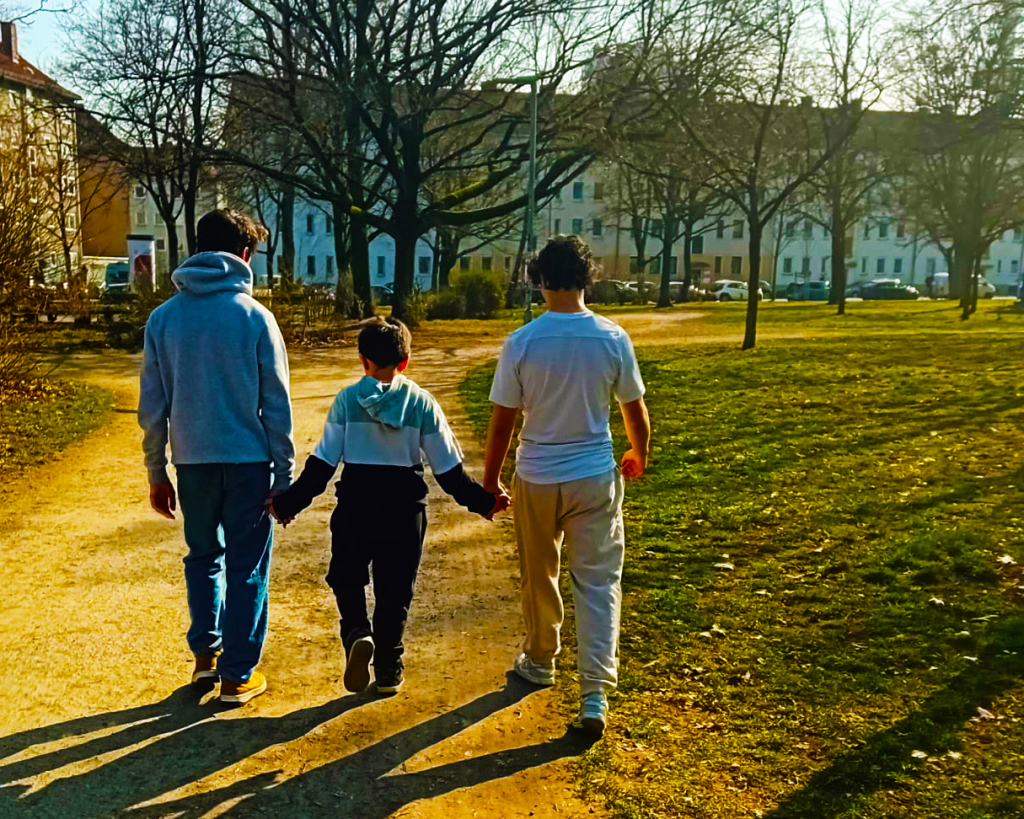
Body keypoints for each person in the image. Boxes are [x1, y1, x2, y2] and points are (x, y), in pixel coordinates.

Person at [268, 318, 509, 695]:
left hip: (356, 506)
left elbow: (322, 465)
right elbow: (449, 472)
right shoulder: (423, 403)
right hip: (404, 511)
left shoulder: (347, 400)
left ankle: (356, 632)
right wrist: (484, 502)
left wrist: (287, 504)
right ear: (405, 361)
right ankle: (388, 669)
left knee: (346, 577)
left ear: (363, 360)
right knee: (395, 591)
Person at [482, 235, 651, 737]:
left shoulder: (522, 342)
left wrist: (491, 479)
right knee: (598, 582)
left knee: (540, 574)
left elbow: (503, 422)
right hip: (594, 475)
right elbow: (634, 408)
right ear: (587, 277)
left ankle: (540, 659)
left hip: (537, 474)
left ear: (539, 280)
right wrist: (638, 452)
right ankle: (594, 694)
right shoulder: (612, 338)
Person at [138, 209, 293, 706]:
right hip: (249, 463)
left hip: (192, 463)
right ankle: (238, 675)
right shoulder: (255, 317)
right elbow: (277, 404)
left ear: (198, 247)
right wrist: (284, 475)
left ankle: (206, 658)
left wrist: (156, 470)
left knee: (203, 557)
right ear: (245, 254)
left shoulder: (163, 319)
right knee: (248, 565)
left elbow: (152, 405)